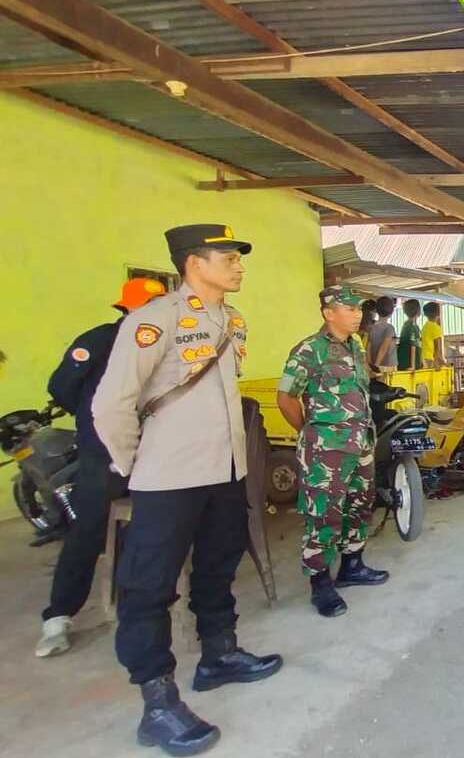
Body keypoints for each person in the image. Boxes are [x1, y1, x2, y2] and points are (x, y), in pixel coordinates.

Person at [92, 224, 282, 757]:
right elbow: (111, 405)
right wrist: (137, 464)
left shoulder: (232, 321)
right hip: (168, 477)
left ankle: (219, 656)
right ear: (194, 263)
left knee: (219, 567)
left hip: (224, 472)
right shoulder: (154, 321)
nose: (239, 265)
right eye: (228, 256)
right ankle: (157, 703)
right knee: (149, 588)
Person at [35, 277, 167, 658]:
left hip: (153, 451)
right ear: (128, 308)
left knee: (151, 527)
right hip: (104, 450)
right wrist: (94, 420)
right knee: (89, 530)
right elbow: (62, 387)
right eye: (150, 305)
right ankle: (58, 616)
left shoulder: (162, 345)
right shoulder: (101, 340)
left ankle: (137, 605)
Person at [277, 286, 388, 619]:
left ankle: (352, 565)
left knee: (359, 505)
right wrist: (311, 432)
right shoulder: (309, 350)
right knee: (325, 514)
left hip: (360, 444)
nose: (357, 315)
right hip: (326, 450)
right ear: (329, 313)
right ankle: (320, 582)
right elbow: (286, 398)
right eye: (350, 309)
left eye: (359, 310)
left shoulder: (354, 347)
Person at [366, 296, 397, 372]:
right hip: (388, 365)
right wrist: (377, 365)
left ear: (376, 310)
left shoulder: (371, 327)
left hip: (374, 364)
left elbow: (368, 347)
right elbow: (384, 347)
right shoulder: (389, 328)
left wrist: (370, 363)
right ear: (391, 312)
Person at [396, 298, 423, 370]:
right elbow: (413, 346)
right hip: (408, 365)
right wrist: (412, 366)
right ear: (418, 311)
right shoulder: (412, 326)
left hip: (404, 363)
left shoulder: (407, 324)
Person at [421, 301, 445, 368]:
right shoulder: (436, 328)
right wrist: (436, 362)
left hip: (423, 357)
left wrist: (443, 362)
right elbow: (437, 348)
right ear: (438, 313)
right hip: (430, 359)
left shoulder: (425, 326)